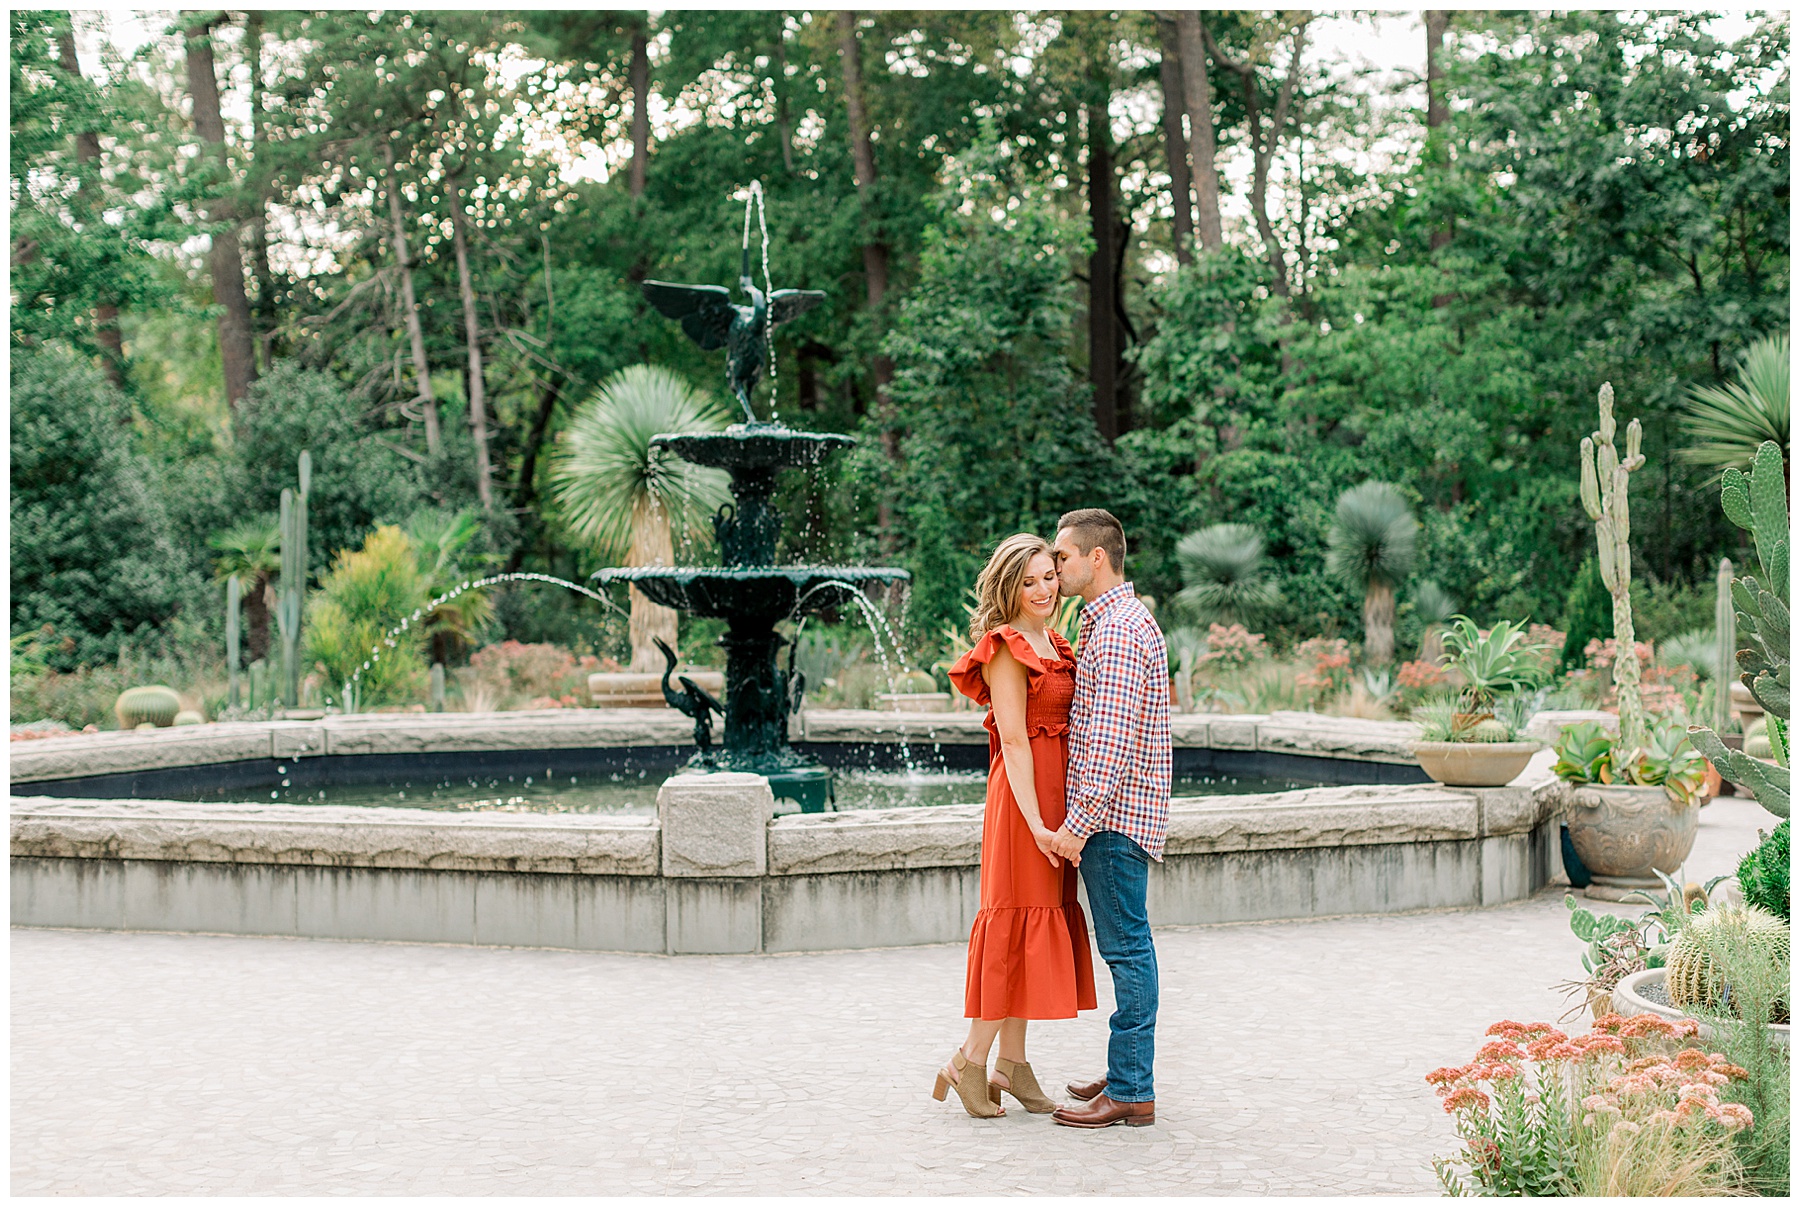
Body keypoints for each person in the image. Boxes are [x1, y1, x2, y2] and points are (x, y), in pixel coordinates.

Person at [933, 533, 1097, 1118]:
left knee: (1033, 928)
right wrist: (1036, 824)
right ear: (1009, 587)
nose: (1043, 589)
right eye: (1028, 582)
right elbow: (1013, 741)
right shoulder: (1005, 646)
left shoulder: (1055, 642)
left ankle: (1013, 1063)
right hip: (1024, 804)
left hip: (1055, 802)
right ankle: (968, 1061)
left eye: (1049, 576)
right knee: (1013, 928)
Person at [1046, 508, 1172, 1129]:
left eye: (1062, 556)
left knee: (1126, 951)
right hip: (1118, 818)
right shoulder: (1113, 621)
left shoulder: (1119, 629)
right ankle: (1127, 1068)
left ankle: (1130, 1089)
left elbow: (1111, 741)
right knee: (1128, 947)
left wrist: (1078, 824)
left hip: (1113, 822)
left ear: (1096, 557)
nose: (1055, 567)